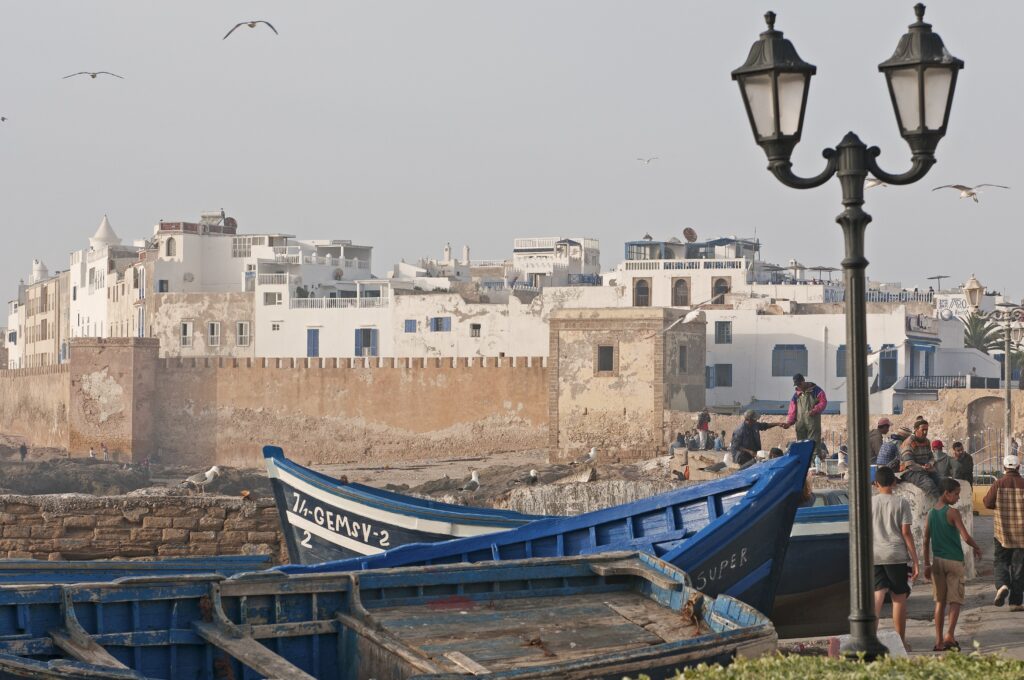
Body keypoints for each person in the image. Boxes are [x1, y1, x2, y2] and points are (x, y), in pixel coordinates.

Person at [923, 478, 983, 652]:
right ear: (946, 493)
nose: (957, 497)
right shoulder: (953, 513)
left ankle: (939, 641)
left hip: (937, 562)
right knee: (955, 600)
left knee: (939, 602)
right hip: (954, 562)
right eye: (956, 494)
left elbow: (926, 540)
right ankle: (950, 635)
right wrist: (976, 547)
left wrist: (927, 564)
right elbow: (965, 536)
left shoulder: (931, 514)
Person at [872, 466, 919, 651]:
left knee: (877, 597)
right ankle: (901, 643)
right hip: (896, 556)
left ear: (876, 483)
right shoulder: (901, 503)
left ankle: (871, 641)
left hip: (875, 555)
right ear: (893, 482)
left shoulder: (869, 503)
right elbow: (906, 532)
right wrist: (915, 560)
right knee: (899, 598)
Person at [983, 454, 1024, 611]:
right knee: (1019, 568)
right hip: (1021, 535)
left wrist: (999, 507)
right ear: (1019, 467)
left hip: (1002, 533)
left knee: (1000, 561)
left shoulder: (998, 483)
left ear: (1004, 468)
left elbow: (987, 503)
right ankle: (1015, 602)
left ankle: (1002, 585)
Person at [783, 373, 828, 460]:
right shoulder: (796, 395)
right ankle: (804, 466)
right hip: (800, 424)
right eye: (797, 385)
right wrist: (789, 422)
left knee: (814, 444)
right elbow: (792, 411)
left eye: (800, 384)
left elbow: (823, 402)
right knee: (801, 445)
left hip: (813, 423)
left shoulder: (816, 391)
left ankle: (814, 466)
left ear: (804, 381)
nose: (798, 386)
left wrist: (815, 410)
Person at [900, 419, 940, 497]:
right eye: (923, 430)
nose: (925, 432)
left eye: (926, 430)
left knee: (941, 481)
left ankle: (941, 503)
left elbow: (931, 457)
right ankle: (938, 506)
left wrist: (929, 464)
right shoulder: (909, 442)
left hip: (925, 470)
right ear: (916, 430)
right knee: (929, 485)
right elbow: (909, 463)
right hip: (910, 472)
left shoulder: (927, 442)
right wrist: (923, 467)